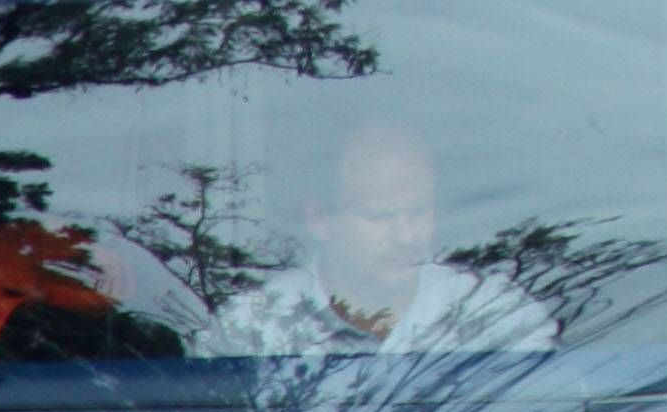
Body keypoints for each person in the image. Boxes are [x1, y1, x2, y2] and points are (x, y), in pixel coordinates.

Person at [219, 118, 559, 357]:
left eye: (420, 212)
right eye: (380, 216)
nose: (406, 236)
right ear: (320, 220)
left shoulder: (491, 315)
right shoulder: (253, 329)